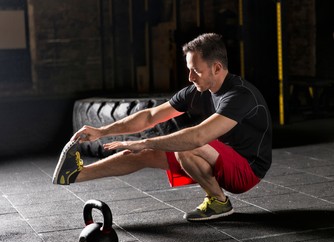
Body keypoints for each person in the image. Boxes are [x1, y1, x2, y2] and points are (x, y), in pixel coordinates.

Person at [53, 33, 272, 222]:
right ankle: (75, 175)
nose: (190, 77)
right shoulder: (196, 91)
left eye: (196, 70)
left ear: (216, 68)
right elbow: (150, 116)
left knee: (184, 145)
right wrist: (102, 131)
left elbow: (197, 137)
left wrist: (144, 141)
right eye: (189, 70)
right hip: (218, 157)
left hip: (247, 170)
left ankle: (218, 201)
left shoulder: (240, 96)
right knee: (143, 154)